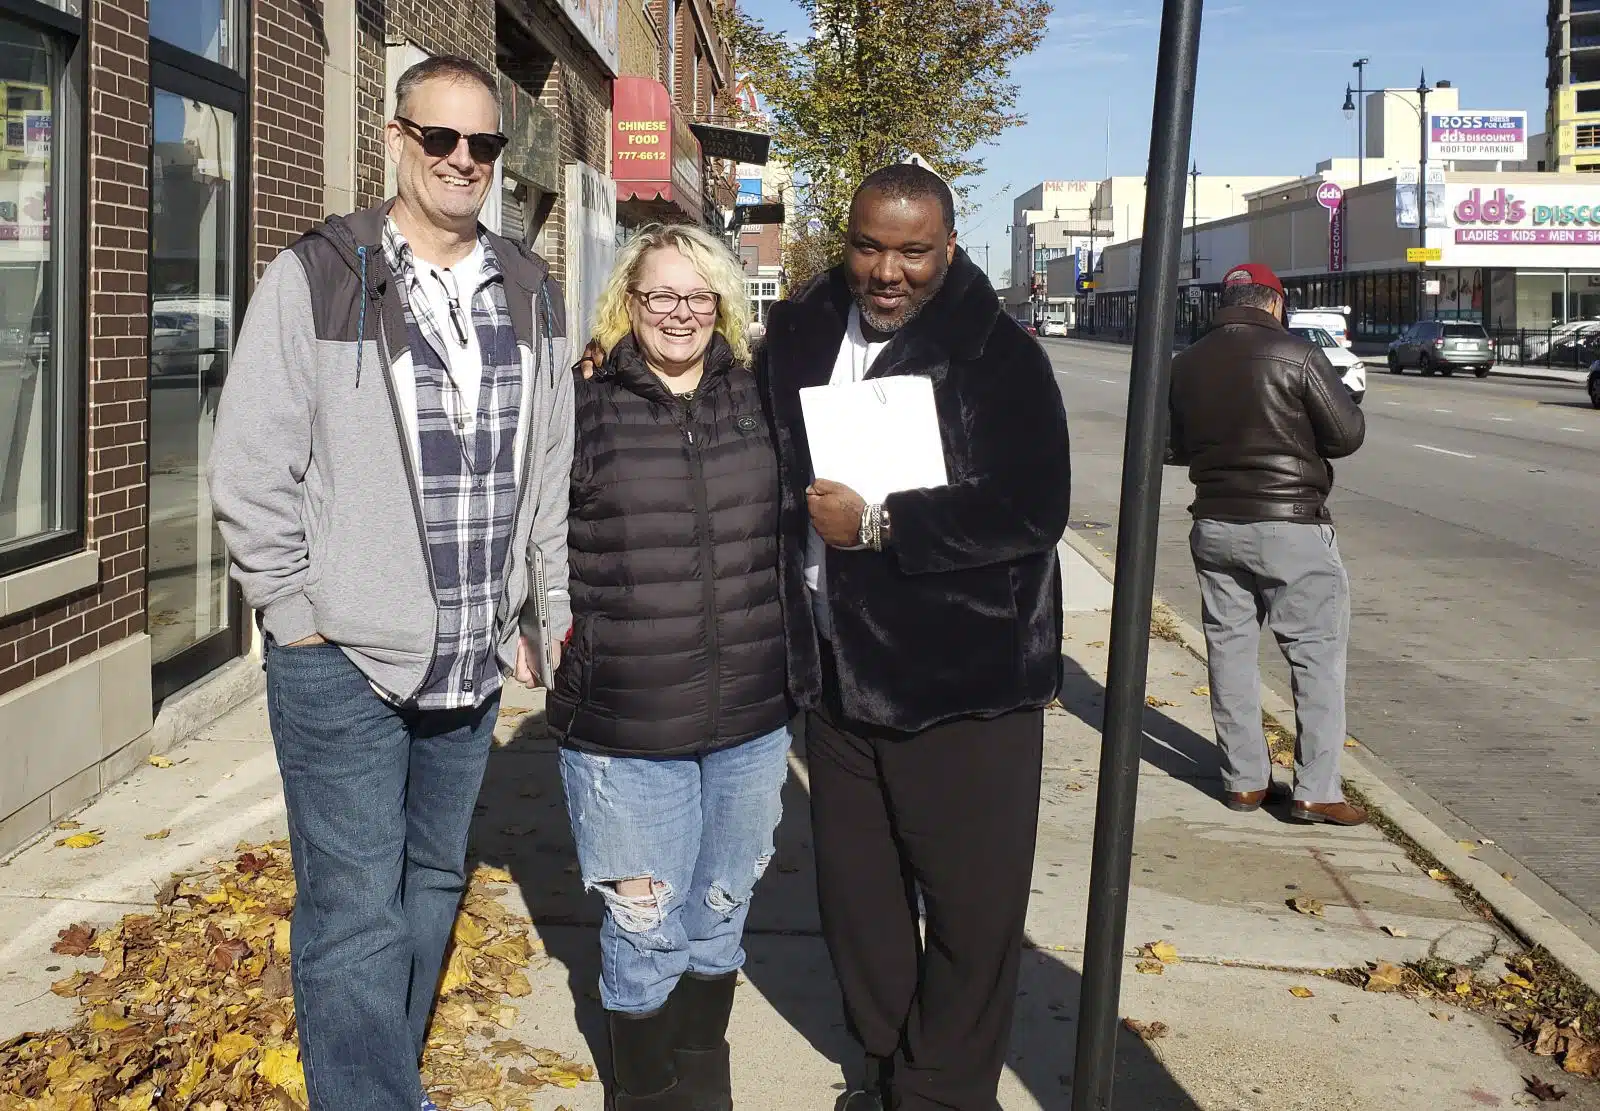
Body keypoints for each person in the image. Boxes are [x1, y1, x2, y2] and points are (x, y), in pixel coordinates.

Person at [209, 55, 573, 1111]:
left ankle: (377, 1072)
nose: (463, 161)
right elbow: (251, 460)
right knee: (354, 911)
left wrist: (543, 613)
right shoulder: (320, 273)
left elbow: (548, 468)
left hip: (471, 654)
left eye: (484, 145)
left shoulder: (529, 285)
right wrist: (294, 613)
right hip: (342, 661)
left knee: (428, 883)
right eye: (441, 139)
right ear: (395, 140)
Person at [760, 164, 1072, 1111]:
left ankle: (942, 1095)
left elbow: (1031, 507)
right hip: (836, 683)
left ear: (947, 246)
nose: (887, 272)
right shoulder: (801, 332)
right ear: (844, 239)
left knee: (974, 922)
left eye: (912, 251)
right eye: (868, 246)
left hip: (964, 685)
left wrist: (887, 526)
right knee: (860, 915)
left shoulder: (996, 354)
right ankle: (891, 1074)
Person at [552, 223, 790, 1110]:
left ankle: (704, 1080)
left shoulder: (760, 400)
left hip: (750, 720)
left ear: (722, 302)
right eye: (660, 295)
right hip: (624, 723)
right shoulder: (582, 409)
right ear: (629, 302)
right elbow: (532, 540)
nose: (680, 313)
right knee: (646, 929)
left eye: (698, 295)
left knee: (721, 915)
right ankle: (647, 1095)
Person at [1167, 262, 1367, 826]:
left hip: (1215, 524)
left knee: (1229, 651)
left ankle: (1245, 783)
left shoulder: (1187, 363)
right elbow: (1346, 434)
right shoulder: (1297, 355)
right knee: (1315, 656)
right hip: (1292, 525)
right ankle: (1316, 790)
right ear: (1275, 304)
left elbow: (1168, 445)